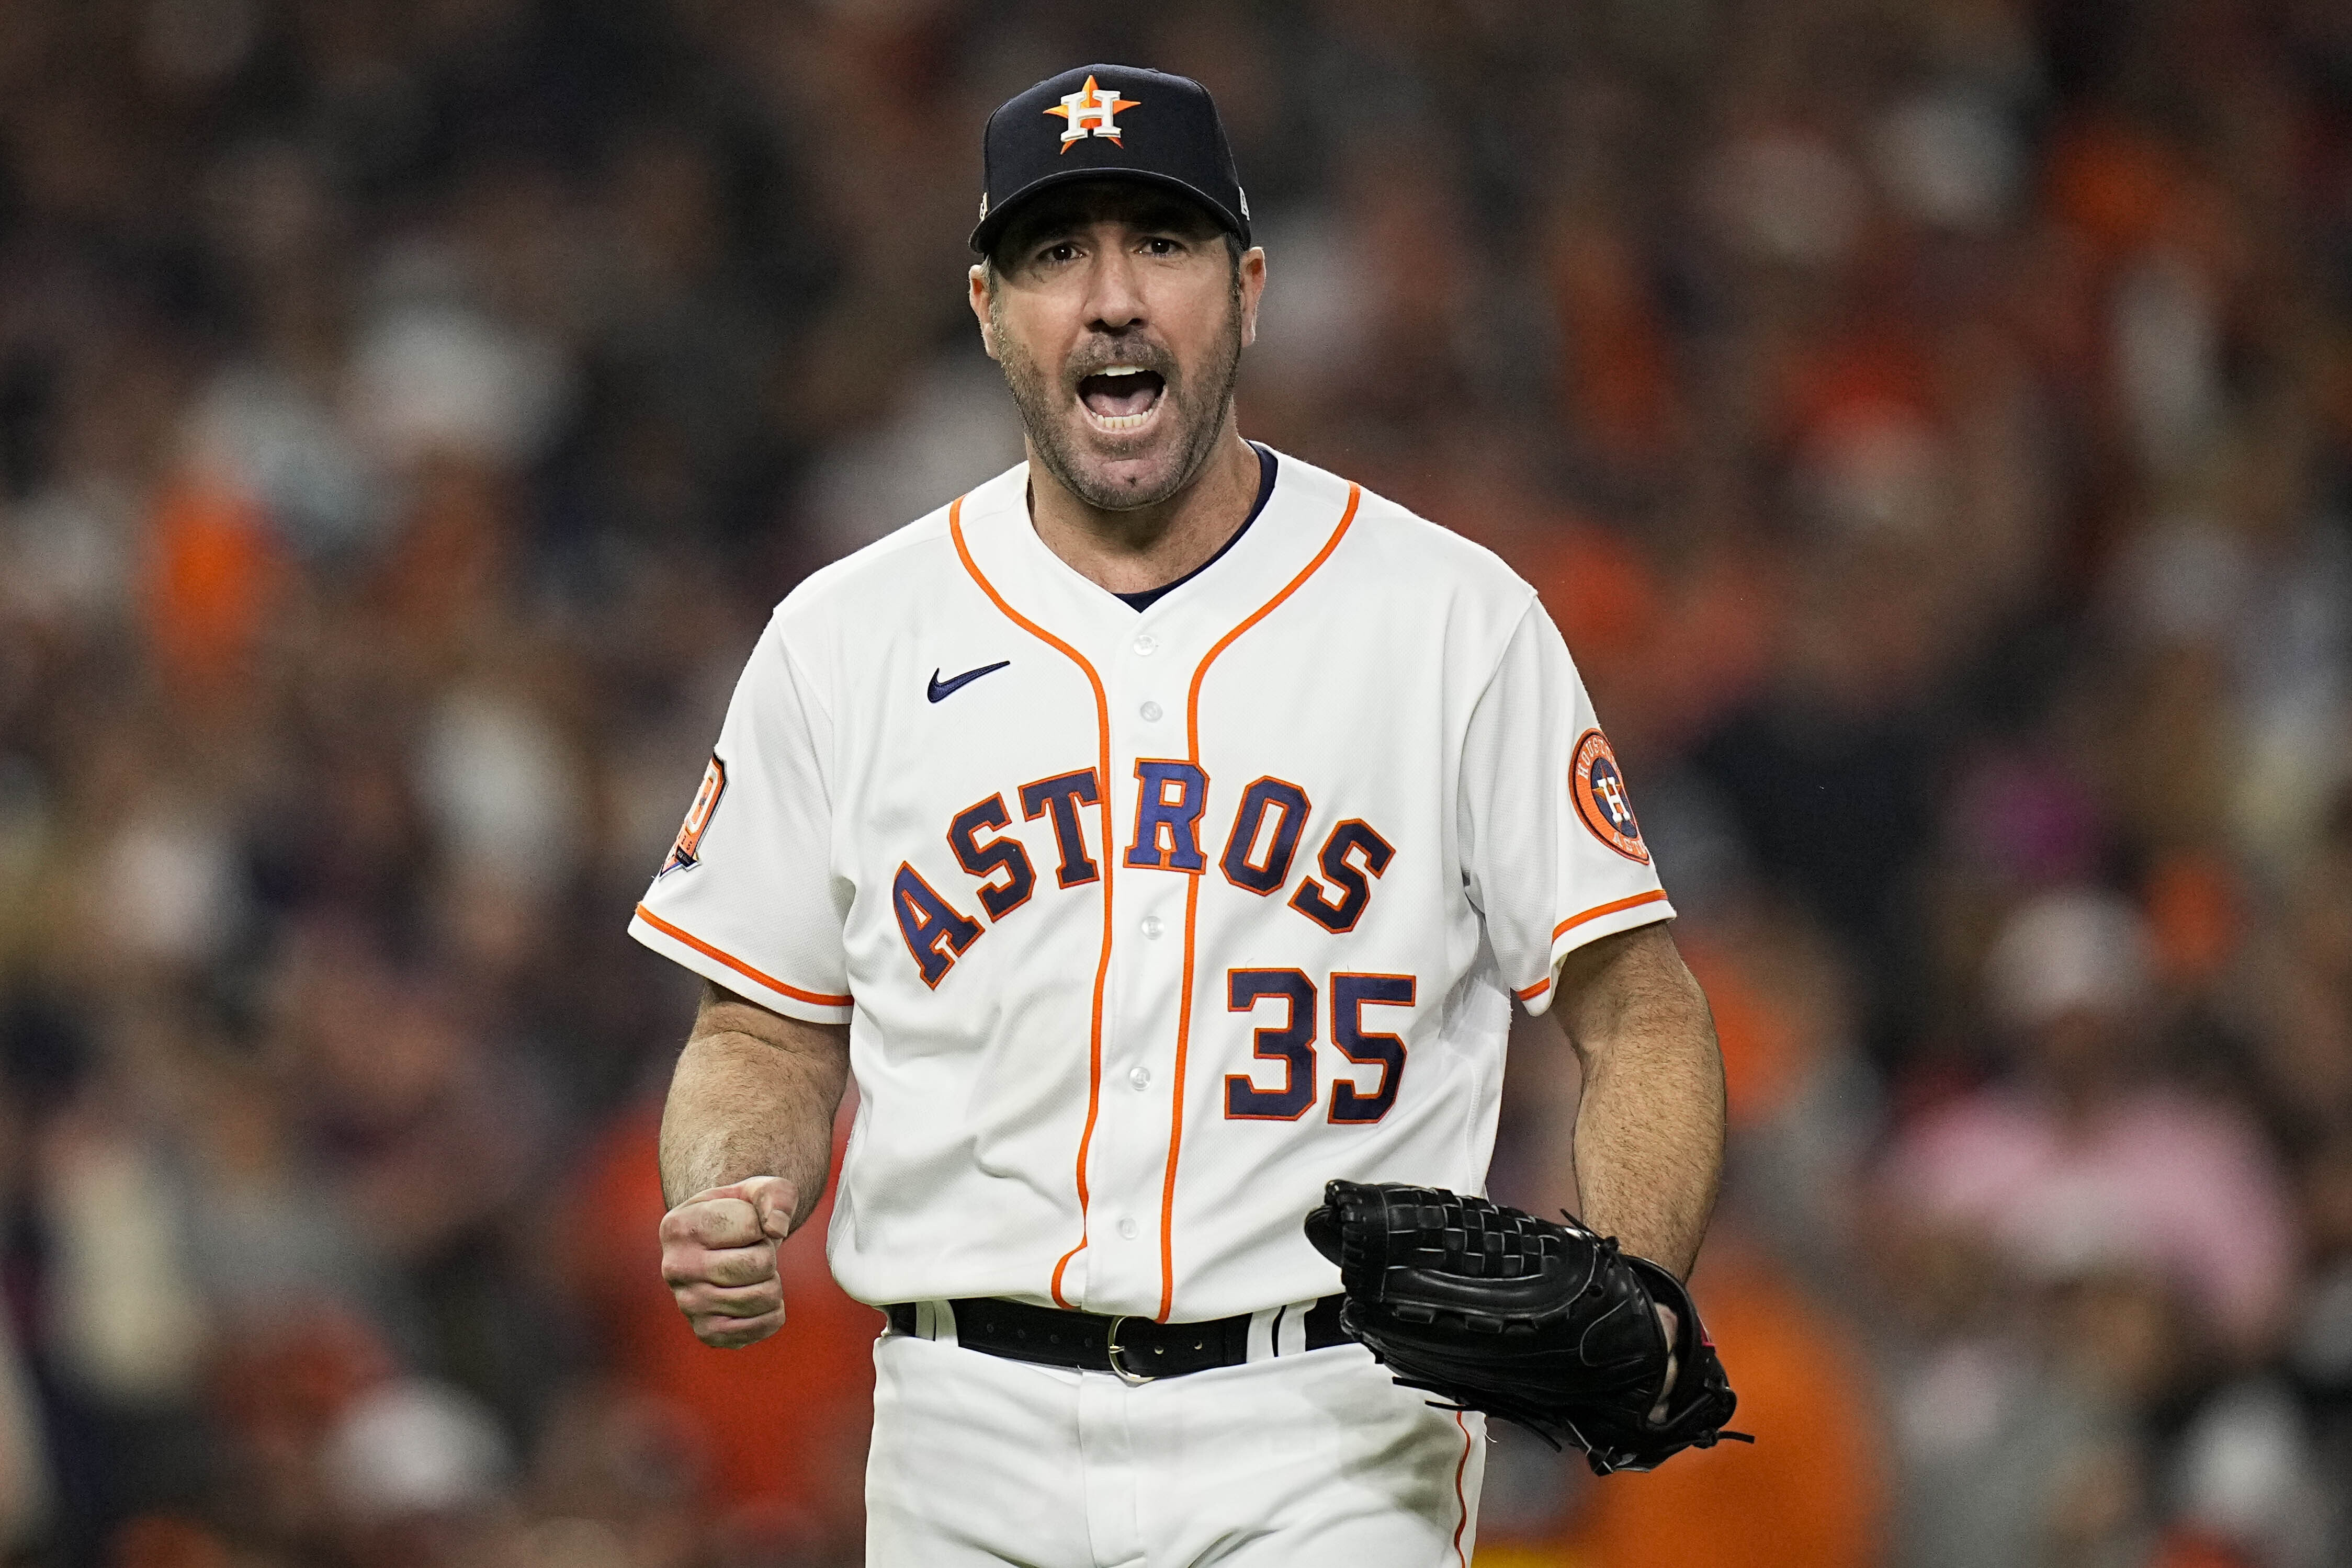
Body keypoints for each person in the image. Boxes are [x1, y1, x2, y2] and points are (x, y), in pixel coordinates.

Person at [635, 63, 1727, 1565]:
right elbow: (759, 1030)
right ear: (983, 307)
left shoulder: (1451, 621)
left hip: (1330, 1432)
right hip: (966, 1435)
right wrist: (731, 1182)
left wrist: (1640, 1282)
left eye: (1160, 242)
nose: (1110, 300)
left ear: (1251, 287)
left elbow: (1641, 1017)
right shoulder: (847, 635)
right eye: (1052, 255)